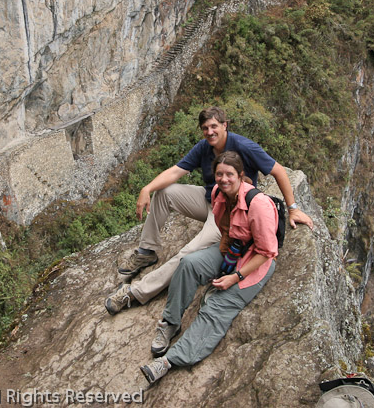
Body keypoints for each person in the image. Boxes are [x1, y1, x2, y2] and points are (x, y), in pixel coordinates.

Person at [105, 106, 312, 314]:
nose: (210, 132)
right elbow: (177, 171)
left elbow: (278, 171)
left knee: (187, 253)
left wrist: (293, 208)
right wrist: (147, 188)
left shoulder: (243, 146)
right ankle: (146, 252)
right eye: (205, 128)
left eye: (214, 126)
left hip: (230, 214)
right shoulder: (204, 147)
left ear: (225, 125)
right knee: (164, 192)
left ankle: (136, 292)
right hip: (210, 200)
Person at [139, 151, 278, 384]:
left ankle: (170, 360)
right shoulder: (218, 193)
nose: (224, 179)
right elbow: (225, 227)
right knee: (189, 264)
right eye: (219, 174)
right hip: (232, 248)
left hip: (255, 261)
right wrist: (221, 258)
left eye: (230, 174)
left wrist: (234, 276)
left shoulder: (258, 205)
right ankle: (171, 323)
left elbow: (267, 252)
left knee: (217, 306)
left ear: (242, 177)